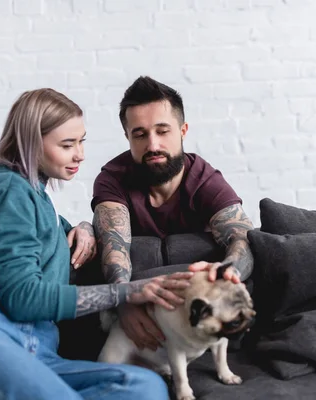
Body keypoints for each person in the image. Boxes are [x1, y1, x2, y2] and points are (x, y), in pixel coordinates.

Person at [0, 88, 194, 400]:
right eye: (67, 144)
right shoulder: (6, 190)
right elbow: (22, 298)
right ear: (32, 145)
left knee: (144, 387)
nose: (80, 154)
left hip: (35, 350)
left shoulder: (35, 199)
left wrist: (85, 227)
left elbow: (56, 231)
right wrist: (128, 292)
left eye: (81, 141)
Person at [91, 76, 255, 352]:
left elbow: (244, 238)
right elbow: (114, 250)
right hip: (142, 307)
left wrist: (227, 271)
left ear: (182, 130)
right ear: (127, 137)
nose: (152, 145)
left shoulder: (204, 179)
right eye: (140, 134)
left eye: (162, 130)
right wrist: (124, 304)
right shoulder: (112, 179)